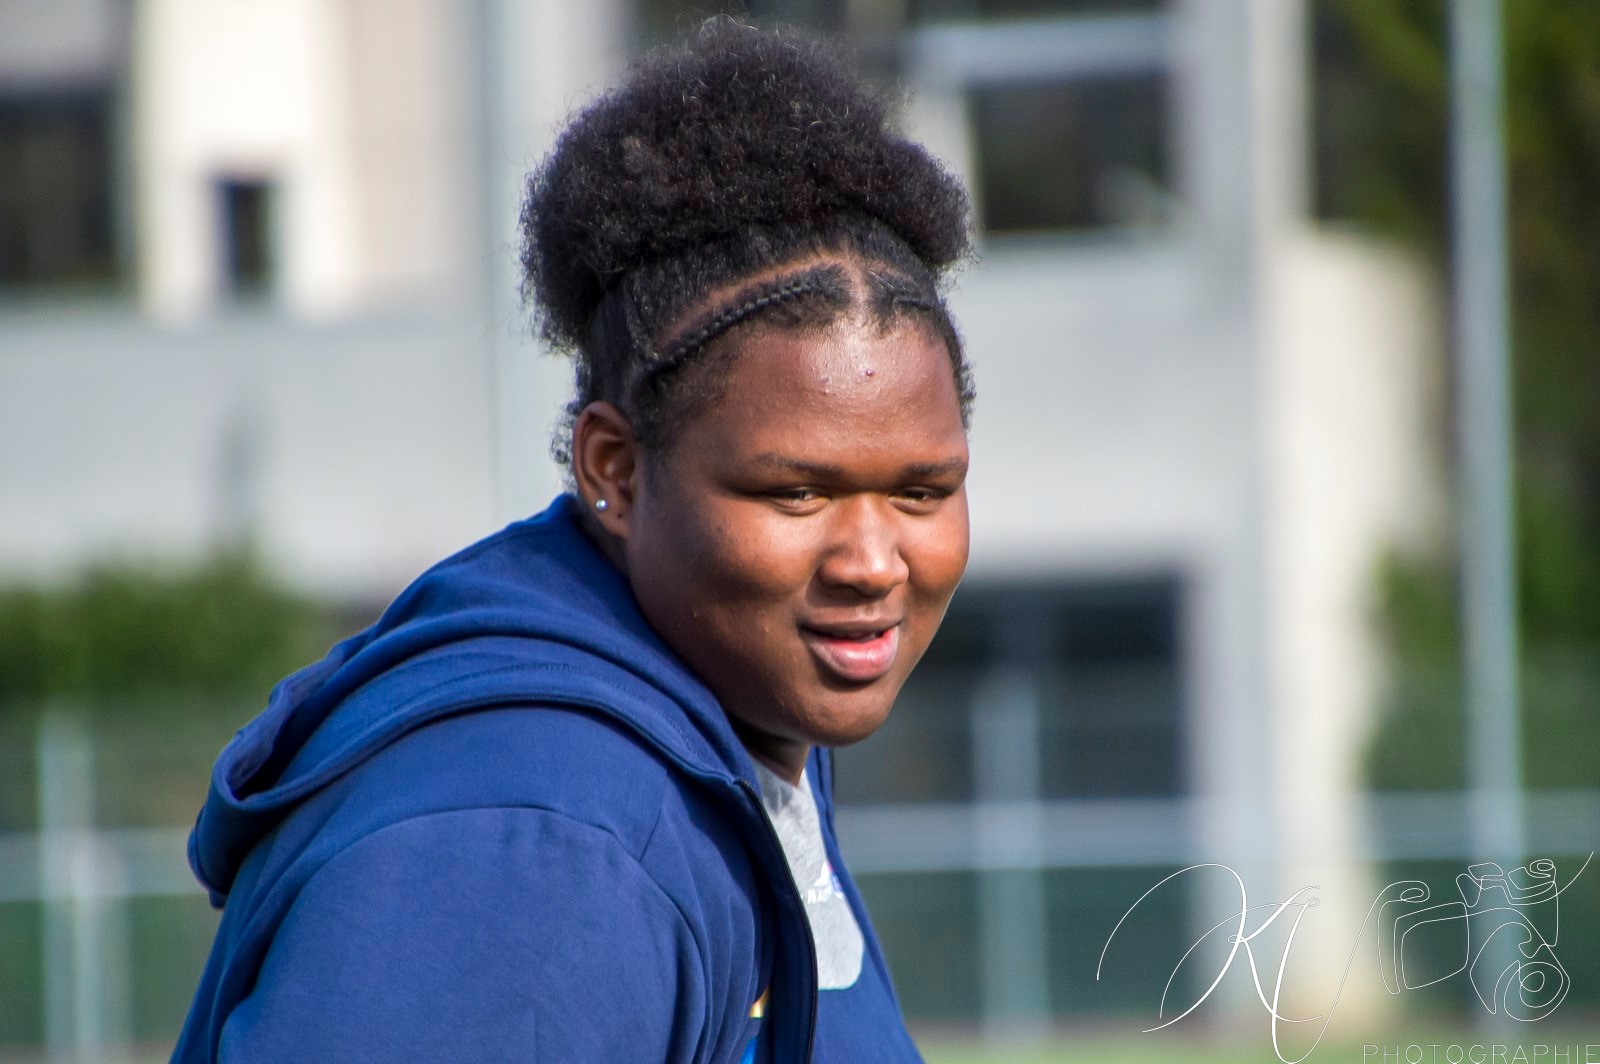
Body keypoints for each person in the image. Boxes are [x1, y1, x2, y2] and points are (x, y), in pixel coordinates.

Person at [173, 17, 974, 1063]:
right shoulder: (539, 843)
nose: (872, 560)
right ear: (616, 470)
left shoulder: (736, 716)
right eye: (795, 493)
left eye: (921, 491)